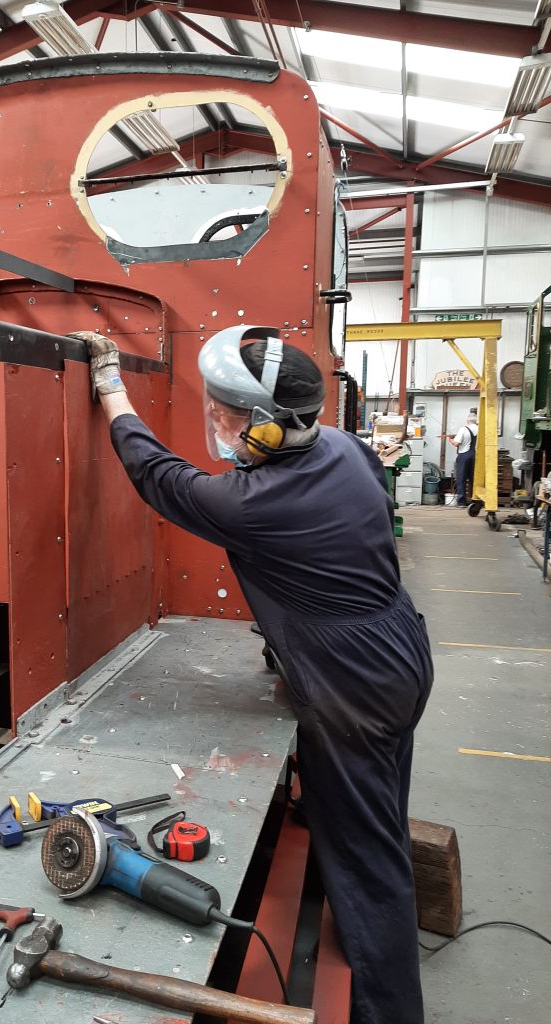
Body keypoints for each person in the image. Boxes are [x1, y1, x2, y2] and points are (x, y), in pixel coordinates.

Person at [73, 325, 434, 1024]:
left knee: (371, 861)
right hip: (399, 650)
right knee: (374, 809)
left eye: (226, 413)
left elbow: (154, 473)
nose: (213, 419)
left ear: (268, 430)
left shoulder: (253, 503)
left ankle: (390, 1007)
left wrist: (110, 385)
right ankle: (347, 901)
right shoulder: (341, 447)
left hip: (353, 681)